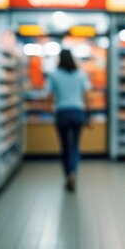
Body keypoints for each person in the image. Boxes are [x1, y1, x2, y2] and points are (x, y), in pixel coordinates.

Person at [46, 48, 92, 192]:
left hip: (62, 113)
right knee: (75, 145)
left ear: (59, 59)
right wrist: (89, 115)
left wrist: (51, 110)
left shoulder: (54, 75)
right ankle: (73, 172)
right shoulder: (81, 74)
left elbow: (49, 97)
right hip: (78, 112)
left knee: (65, 146)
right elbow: (87, 97)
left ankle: (68, 175)